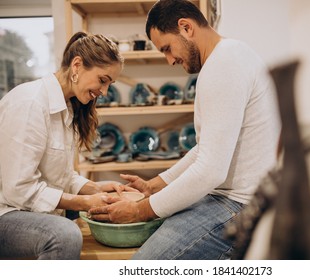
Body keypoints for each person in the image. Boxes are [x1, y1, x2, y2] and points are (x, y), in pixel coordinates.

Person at [89, 0, 281, 260]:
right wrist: (156, 185)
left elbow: (210, 171)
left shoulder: (223, 65)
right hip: (230, 199)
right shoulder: (230, 56)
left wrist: (139, 211)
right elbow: (207, 147)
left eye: (167, 48)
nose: (169, 60)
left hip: (238, 206)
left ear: (186, 28)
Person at [0, 32, 125, 260]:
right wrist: (85, 201)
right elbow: (19, 189)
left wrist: (96, 189)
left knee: (109, 213)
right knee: (64, 234)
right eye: (103, 80)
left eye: (109, 84)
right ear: (77, 65)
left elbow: (60, 178)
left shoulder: (66, 108)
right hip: (6, 213)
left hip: (26, 208)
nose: (105, 92)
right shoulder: (30, 102)